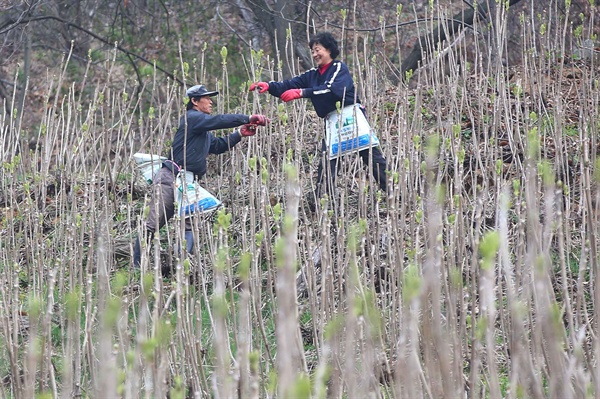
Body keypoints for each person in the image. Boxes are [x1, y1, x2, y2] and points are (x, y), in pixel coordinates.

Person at [133, 84, 268, 268]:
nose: (211, 101)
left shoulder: (200, 129)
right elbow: (219, 120)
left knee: (189, 223)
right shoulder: (192, 118)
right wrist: (247, 118)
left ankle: (182, 268)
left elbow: (218, 146)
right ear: (195, 102)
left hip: (187, 182)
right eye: (207, 98)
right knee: (153, 224)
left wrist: (239, 134)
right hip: (170, 178)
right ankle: (137, 266)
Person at [249, 31, 388, 210]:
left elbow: (332, 89)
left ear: (329, 49)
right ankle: (322, 200)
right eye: (312, 51)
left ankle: (394, 191)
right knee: (327, 160)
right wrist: (269, 86)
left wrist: (302, 93)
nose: (314, 54)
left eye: (317, 50)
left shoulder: (339, 68)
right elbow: (289, 85)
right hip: (331, 122)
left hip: (351, 118)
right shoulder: (312, 74)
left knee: (371, 157)